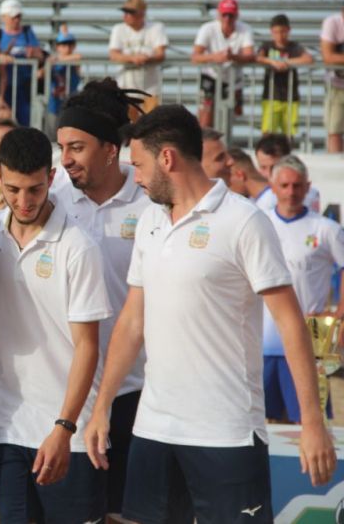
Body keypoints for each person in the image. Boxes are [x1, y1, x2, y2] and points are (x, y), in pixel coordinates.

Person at [83, 104, 336, 523]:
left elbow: (290, 322)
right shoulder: (149, 221)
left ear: (168, 159)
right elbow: (132, 322)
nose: (136, 176)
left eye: (140, 165)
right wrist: (102, 406)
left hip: (227, 430)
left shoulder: (244, 221)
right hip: (154, 428)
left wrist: (312, 422)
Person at [0, 126, 111, 522]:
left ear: (51, 177)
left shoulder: (79, 247)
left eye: (35, 190)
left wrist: (64, 426)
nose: (24, 201)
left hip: (67, 433)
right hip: (6, 428)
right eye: (15, 189)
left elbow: (88, 346)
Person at [53, 78, 152, 521]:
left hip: (136, 389)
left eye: (76, 147)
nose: (65, 159)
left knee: (124, 514)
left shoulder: (153, 203)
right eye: (62, 147)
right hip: (64, 394)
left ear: (111, 149)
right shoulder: (50, 198)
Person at [262, 154, 344, 423]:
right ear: (273, 187)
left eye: (297, 186)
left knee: (307, 422)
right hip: (260, 342)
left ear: (308, 187)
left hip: (309, 341)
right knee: (263, 423)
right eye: (284, 186)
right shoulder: (258, 224)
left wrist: (340, 317)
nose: (291, 192)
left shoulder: (325, 228)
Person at [191, 0, 254, 128]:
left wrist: (232, 57)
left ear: (236, 15)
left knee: (231, 117)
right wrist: (216, 57)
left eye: (230, 15)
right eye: (225, 15)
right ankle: (204, 147)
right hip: (211, 77)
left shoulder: (245, 29)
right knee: (205, 120)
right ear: (219, 15)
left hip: (233, 80)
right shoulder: (208, 28)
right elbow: (195, 56)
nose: (227, 19)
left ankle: (222, 146)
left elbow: (249, 55)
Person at [108, 0, 168, 121]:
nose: (125, 15)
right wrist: (133, 58)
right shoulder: (118, 29)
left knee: (152, 123)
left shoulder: (156, 27)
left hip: (150, 87)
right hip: (126, 86)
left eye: (130, 12)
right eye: (125, 12)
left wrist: (147, 58)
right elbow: (113, 54)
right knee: (128, 123)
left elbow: (161, 53)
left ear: (141, 14)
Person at [256, 14, 313, 137]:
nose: (280, 35)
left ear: (288, 30)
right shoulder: (267, 46)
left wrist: (286, 62)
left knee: (289, 133)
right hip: (271, 95)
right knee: (268, 132)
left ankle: (286, 155)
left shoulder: (294, 46)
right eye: (276, 32)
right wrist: (272, 61)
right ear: (271, 32)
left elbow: (308, 58)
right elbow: (258, 57)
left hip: (291, 97)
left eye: (283, 31)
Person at [0, 0, 43, 127]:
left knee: (25, 122)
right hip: (3, 88)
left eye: (19, 16)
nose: (17, 20)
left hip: (24, 86)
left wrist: (33, 54)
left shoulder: (28, 33)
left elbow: (40, 55)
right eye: (13, 17)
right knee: (3, 123)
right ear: (3, 17)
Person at [254, 133, 321, 212]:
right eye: (263, 167)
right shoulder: (251, 197)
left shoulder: (309, 195)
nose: (268, 174)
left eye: (274, 167)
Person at [44, 27, 81, 138]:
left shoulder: (72, 59)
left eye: (70, 45)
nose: (67, 48)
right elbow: (41, 73)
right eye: (63, 45)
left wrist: (57, 59)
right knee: (52, 137)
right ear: (57, 47)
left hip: (70, 104)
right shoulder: (52, 61)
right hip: (54, 105)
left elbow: (78, 57)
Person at [320, 6, 344, 152]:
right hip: (336, 85)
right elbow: (328, 57)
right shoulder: (332, 22)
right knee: (334, 129)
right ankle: (337, 166)